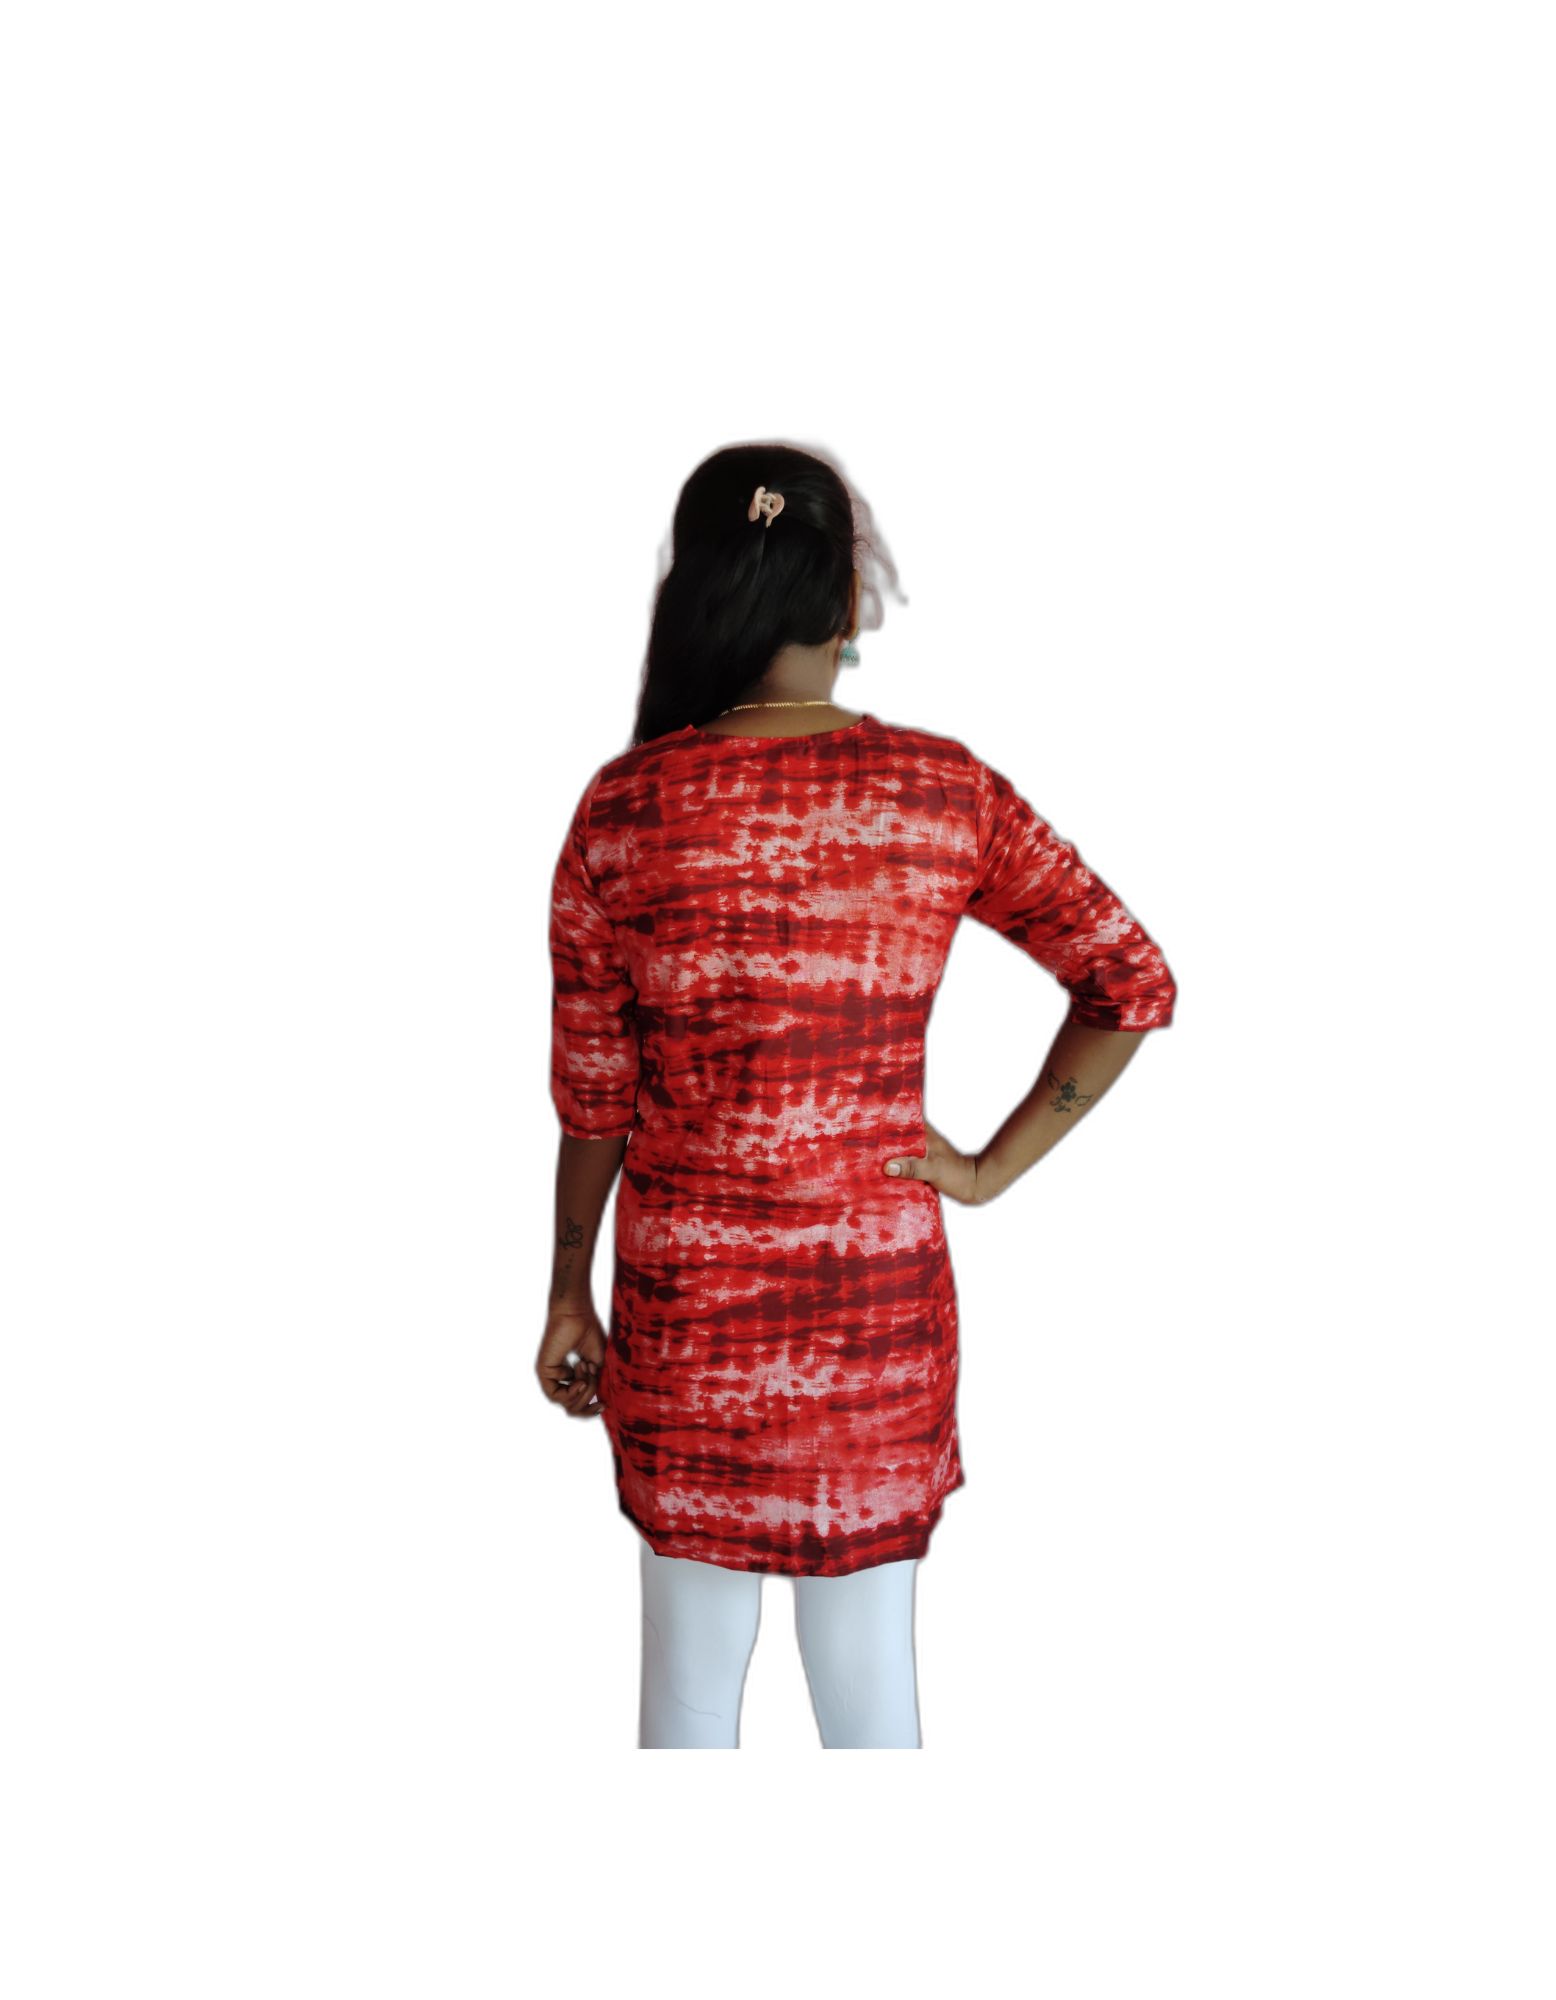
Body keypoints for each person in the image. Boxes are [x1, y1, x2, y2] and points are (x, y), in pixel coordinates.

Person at [538, 441, 1177, 1749]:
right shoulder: (941, 792)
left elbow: (595, 1097)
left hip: (684, 1327)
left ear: (699, 592)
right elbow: (1128, 978)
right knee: (871, 1689)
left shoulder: (624, 812)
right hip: (871, 1331)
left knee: (686, 1690)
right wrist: (986, 1170)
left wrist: (564, 1290)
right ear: (844, 598)